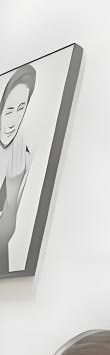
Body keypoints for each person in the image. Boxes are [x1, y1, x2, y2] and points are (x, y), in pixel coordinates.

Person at [0, 64, 36, 274]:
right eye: (9, 111)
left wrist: (13, 192)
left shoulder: (24, 156)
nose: (13, 121)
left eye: (21, 108)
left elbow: (6, 232)